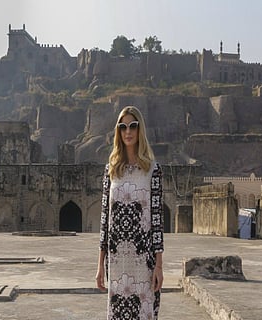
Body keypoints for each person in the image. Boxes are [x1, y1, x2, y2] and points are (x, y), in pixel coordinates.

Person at [96, 106, 164, 320]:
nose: (128, 131)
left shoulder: (152, 170)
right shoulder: (111, 169)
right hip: (117, 261)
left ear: (139, 129)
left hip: (144, 260)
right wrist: (100, 264)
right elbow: (105, 218)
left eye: (133, 126)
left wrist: (159, 265)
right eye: (123, 126)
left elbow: (157, 220)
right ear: (118, 131)